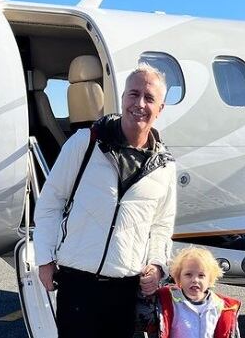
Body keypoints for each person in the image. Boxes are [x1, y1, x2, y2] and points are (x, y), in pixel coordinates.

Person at [34, 63, 177, 338]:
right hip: (77, 283)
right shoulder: (85, 143)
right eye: (133, 94)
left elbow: (161, 224)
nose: (140, 104)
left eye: (149, 98)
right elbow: (51, 200)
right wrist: (44, 258)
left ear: (159, 110)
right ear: (122, 99)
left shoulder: (165, 166)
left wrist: (158, 264)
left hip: (125, 289)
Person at [155, 247, 241, 338]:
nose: (195, 280)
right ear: (178, 277)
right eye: (188, 274)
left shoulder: (219, 305)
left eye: (201, 275)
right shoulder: (169, 302)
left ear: (210, 279)